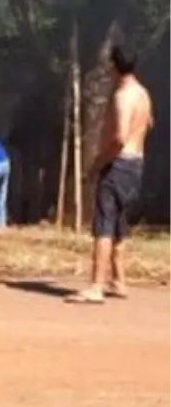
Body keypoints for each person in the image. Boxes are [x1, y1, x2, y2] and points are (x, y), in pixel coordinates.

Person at [67, 44, 152, 305]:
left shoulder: (122, 96)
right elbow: (149, 122)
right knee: (118, 223)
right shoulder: (143, 94)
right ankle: (119, 280)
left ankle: (96, 286)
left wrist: (98, 163)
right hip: (136, 163)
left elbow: (119, 138)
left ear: (114, 66)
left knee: (104, 225)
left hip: (119, 163)